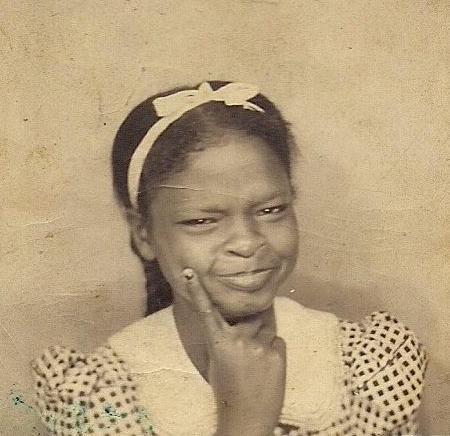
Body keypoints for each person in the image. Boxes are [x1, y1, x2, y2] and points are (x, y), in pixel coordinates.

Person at [32, 81, 427, 436]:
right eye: (202, 220)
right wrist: (245, 424)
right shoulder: (100, 397)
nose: (247, 243)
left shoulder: (365, 366)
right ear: (144, 235)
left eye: (271, 210)